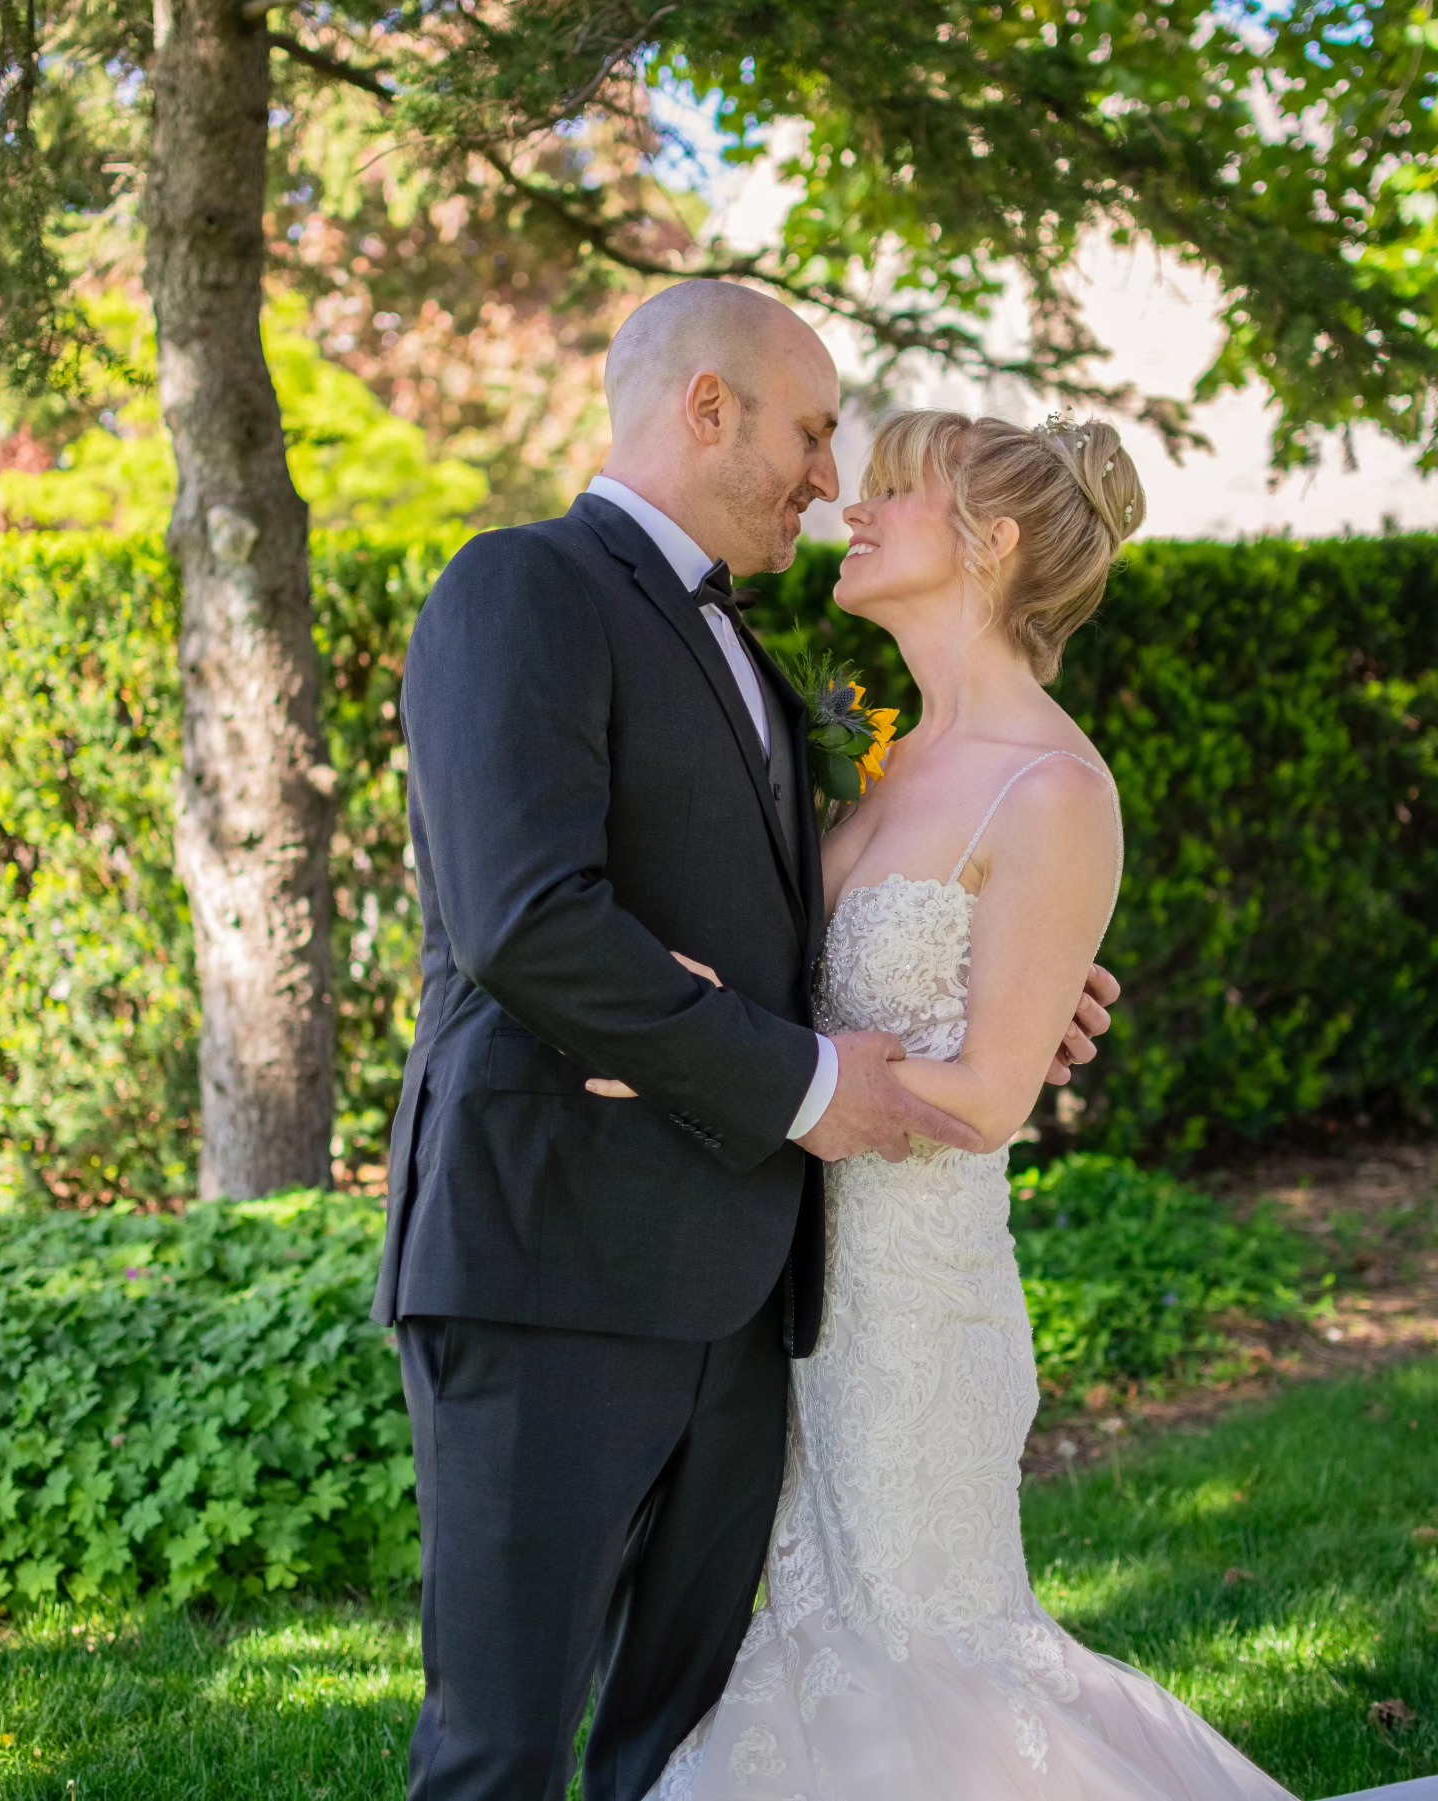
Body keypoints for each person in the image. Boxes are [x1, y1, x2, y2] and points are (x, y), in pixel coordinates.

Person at [371, 282, 1120, 1801]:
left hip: (753, 1304)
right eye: (816, 432)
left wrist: (1011, 1004)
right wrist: (796, 1066)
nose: (831, 481)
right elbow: (526, 921)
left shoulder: (773, 677)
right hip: (553, 1264)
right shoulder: (522, 588)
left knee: (684, 1745)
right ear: (708, 408)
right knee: (503, 1745)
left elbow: (808, 946)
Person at [634, 408, 1297, 1798]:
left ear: (990, 545)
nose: (850, 512)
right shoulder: (885, 756)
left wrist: (708, 1053)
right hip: (797, 1290)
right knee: (824, 1640)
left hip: (917, 1315)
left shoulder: (1053, 787)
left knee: (924, 1656)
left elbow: (995, 1091)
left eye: (892, 493)